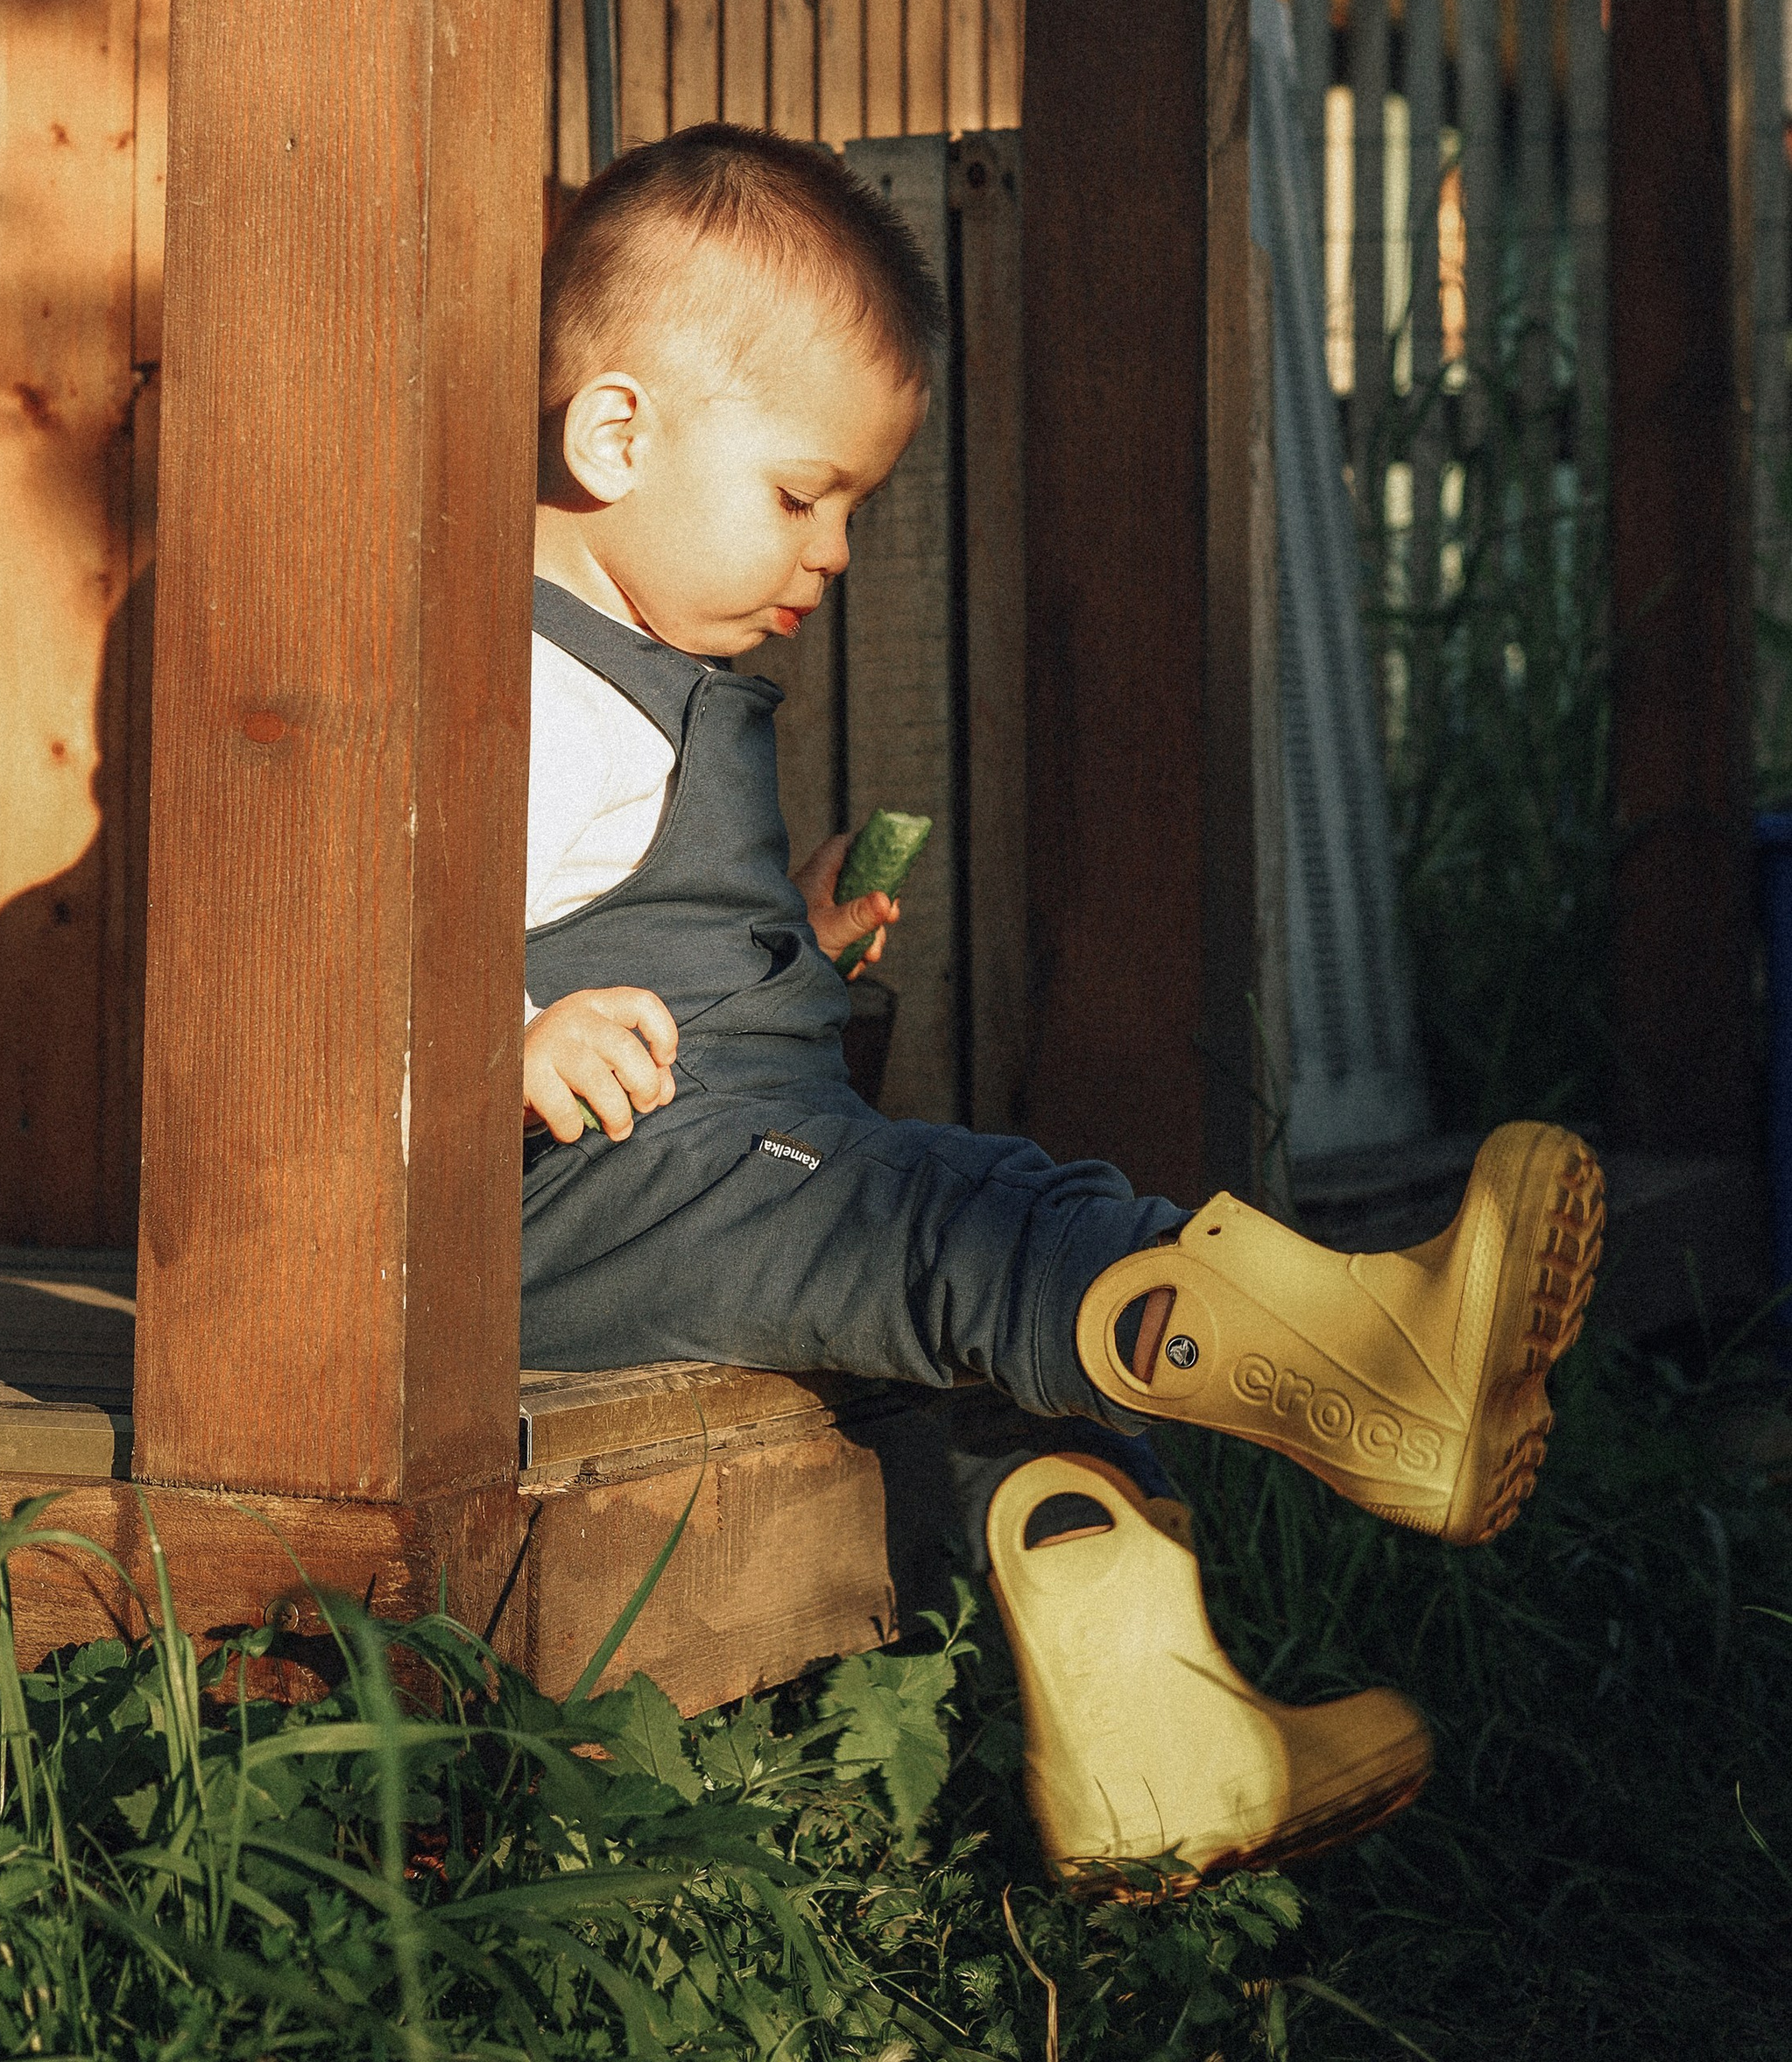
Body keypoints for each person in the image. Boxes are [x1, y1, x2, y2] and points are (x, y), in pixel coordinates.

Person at [520, 122, 1603, 1884]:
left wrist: (784, 946)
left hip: (685, 1179)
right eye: (801, 495)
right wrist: (507, 1039)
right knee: (982, 1220)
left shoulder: (633, 673)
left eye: (854, 508)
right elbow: (352, 976)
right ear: (615, 435)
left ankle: (1165, 1760)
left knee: (1032, 1405)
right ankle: (1371, 1366)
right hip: (584, 1215)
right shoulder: (525, 692)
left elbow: (596, 914)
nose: (835, 549)